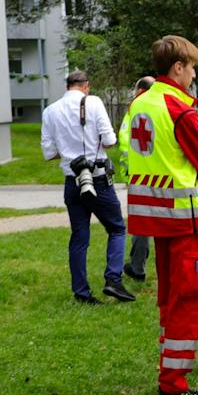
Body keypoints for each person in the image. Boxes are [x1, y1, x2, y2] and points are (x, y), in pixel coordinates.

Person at [126, 36, 198, 395]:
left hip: (155, 217)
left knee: (168, 296)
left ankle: (169, 366)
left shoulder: (141, 102)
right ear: (177, 67)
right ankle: (174, 384)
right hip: (184, 219)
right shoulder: (178, 108)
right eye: (192, 67)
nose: (194, 74)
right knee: (189, 295)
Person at [41, 70, 134, 305]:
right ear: (86, 86)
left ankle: (81, 292)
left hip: (72, 180)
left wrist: (69, 149)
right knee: (116, 228)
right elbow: (110, 140)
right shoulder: (92, 102)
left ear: (67, 86)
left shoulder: (50, 111)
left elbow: (48, 152)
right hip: (98, 178)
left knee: (79, 237)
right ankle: (113, 279)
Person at [119, 75, 156, 283]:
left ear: (140, 91)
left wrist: (128, 174)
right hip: (160, 176)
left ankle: (137, 267)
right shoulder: (160, 108)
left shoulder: (135, 110)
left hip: (139, 178)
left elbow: (125, 144)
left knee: (142, 224)